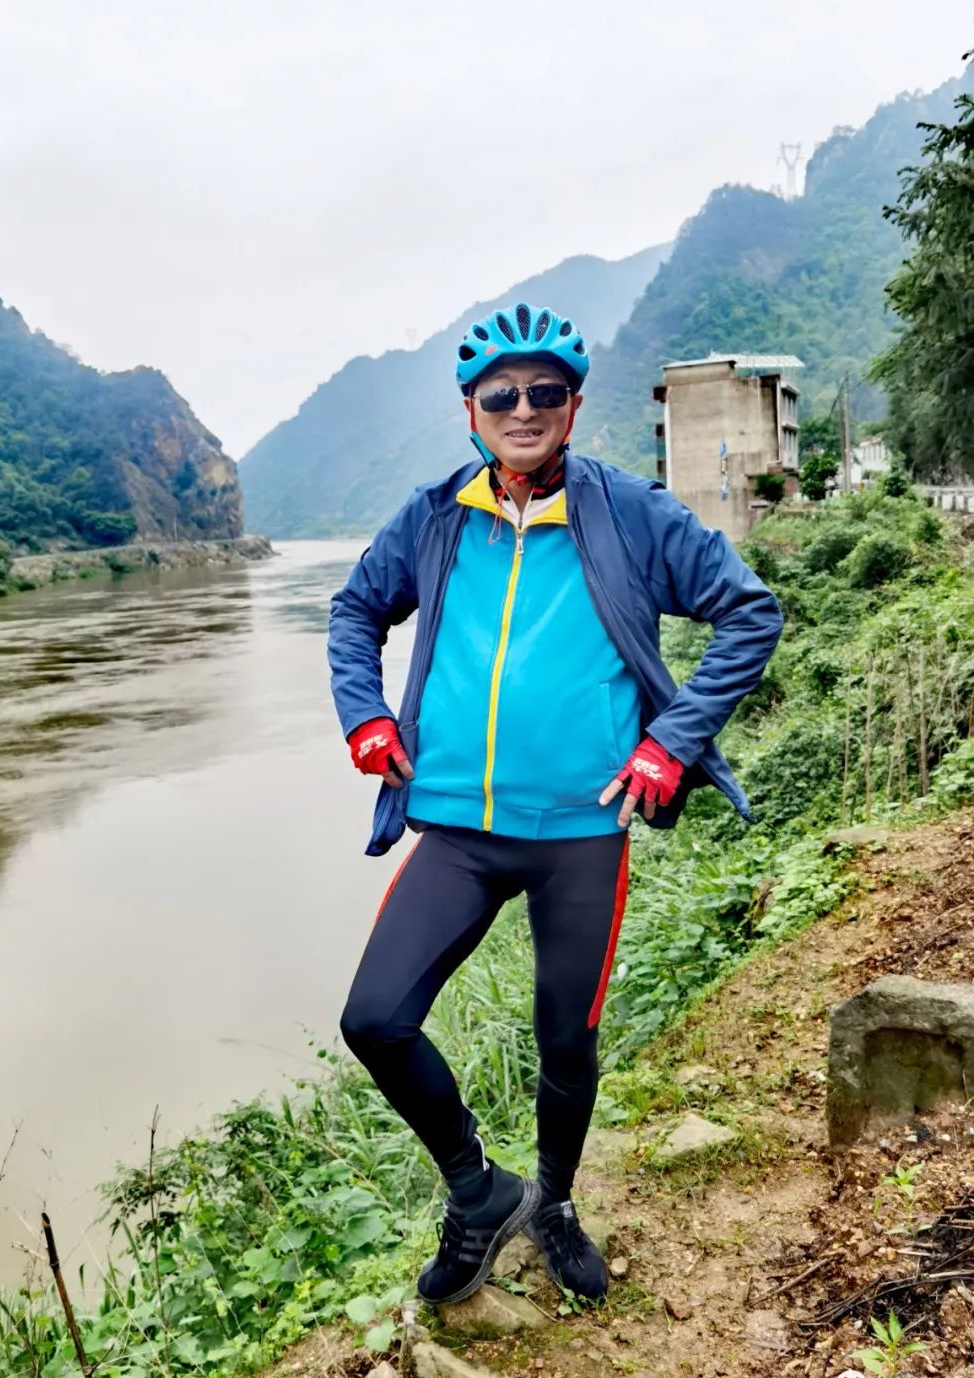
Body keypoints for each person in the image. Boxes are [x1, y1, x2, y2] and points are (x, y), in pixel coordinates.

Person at [326, 301, 783, 1308]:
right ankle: (479, 1189)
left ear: (573, 405)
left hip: (583, 832)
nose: (523, 409)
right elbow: (355, 610)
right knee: (376, 1018)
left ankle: (559, 1202)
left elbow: (750, 611)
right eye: (502, 395)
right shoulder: (435, 517)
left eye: (545, 391)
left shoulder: (628, 513)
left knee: (565, 1038)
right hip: (458, 827)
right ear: (471, 412)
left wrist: (672, 741)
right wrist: (365, 715)